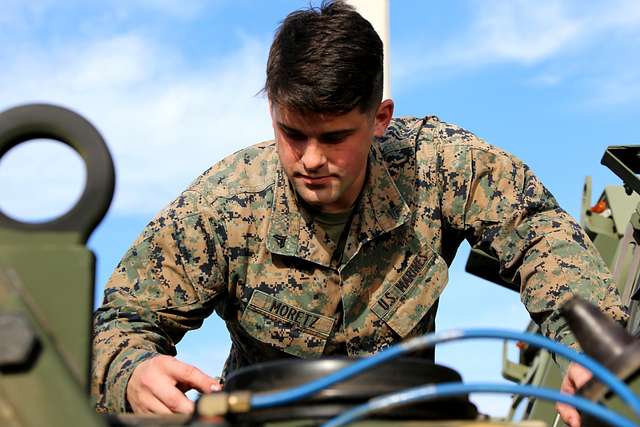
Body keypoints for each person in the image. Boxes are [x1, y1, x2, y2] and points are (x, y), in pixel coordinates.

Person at [91, 2, 628, 426]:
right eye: (292, 134)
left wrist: (588, 353)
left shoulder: (437, 165)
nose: (311, 159)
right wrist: (132, 372)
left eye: (335, 136)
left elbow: (538, 235)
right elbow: (122, 321)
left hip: (410, 417)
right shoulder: (225, 204)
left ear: (380, 118)